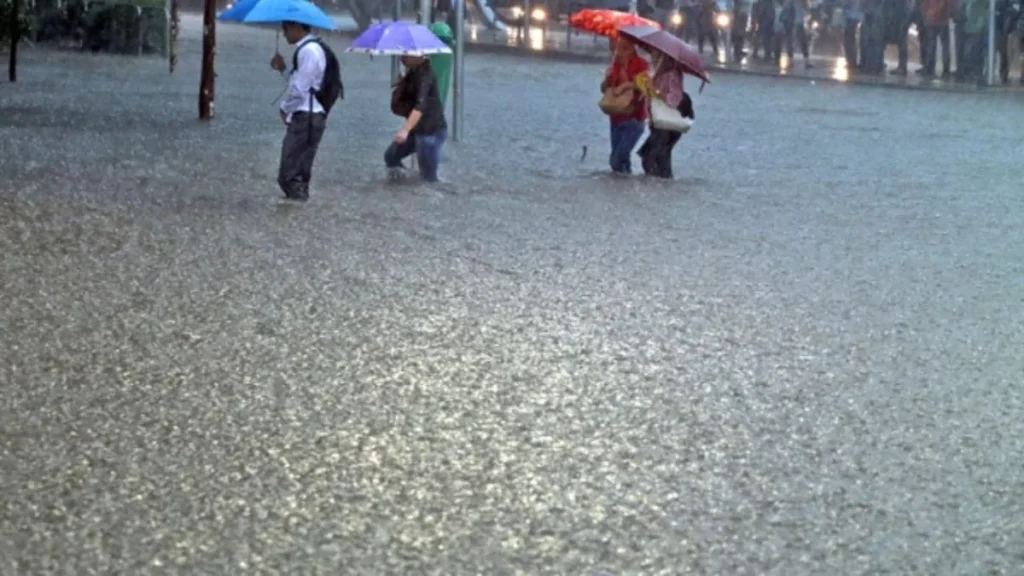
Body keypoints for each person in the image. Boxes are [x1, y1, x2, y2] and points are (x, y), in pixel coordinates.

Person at [270, 21, 339, 201]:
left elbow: (300, 89)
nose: (284, 34)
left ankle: (294, 212)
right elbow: (300, 81)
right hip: (311, 116)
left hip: (306, 117)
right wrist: (283, 69)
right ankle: (297, 215)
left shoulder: (308, 51)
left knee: (290, 175)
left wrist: (285, 108)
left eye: (286, 30)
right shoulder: (310, 49)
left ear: (297, 28)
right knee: (298, 172)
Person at [385, 55, 448, 182]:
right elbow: (399, 105)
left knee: (428, 178)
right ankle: (403, 185)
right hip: (417, 129)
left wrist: (405, 130)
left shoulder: (425, 75)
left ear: (419, 55)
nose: (402, 58)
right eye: (402, 54)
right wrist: (401, 85)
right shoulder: (413, 72)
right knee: (391, 156)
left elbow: (420, 106)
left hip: (430, 131)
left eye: (406, 55)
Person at [637, 52, 695, 179]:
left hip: (667, 124)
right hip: (657, 122)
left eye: (658, 56)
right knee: (657, 157)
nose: (654, 58)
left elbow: (673, 99)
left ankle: (661, 186)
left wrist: (655, 89)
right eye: (653, 55)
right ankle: (663, 187)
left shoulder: (672, 74)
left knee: (653, 157)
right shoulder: (656, 73)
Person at [600, 36, 650, 175]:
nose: (616, 53)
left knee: (617, 158)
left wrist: (626, 84)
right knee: (619, 160)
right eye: (613, 49)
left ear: (630, 49)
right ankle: (624, 187)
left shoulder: (641, 64)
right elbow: (604, 89)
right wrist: (607, 79)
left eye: (619, 48)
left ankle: (625, 183)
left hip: (634, 118)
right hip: (616, 117)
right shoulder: (613, 66)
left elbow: (644, 86)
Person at [921, 0, 954, 77]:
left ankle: (929, 67)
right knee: (944, 46)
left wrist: (927, 16)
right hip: (943, 21)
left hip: (932, 20)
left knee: (931, 45)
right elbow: (950, 5)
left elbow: (924, 6)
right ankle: (945, 69)